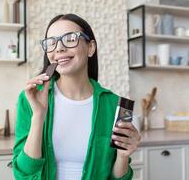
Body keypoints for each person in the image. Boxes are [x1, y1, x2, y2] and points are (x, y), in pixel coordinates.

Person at [12, 13, 141, 180]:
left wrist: (123, 156)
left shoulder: (115, 106)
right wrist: (38, 116)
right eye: (51, 43)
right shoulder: (30, 98)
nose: (59, 48)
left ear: (90, 48)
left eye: (70, 38)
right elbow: (22, 174)